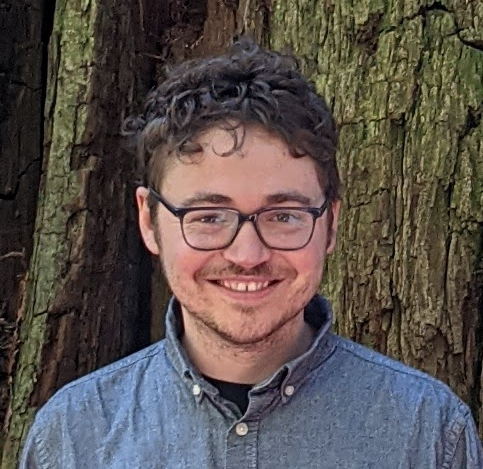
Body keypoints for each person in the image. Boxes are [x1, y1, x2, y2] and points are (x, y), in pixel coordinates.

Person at [20, 39, 482, 468]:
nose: (247, 254)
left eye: (283, 216)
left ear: (331, 223)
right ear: (149, 221)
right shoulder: (72, 438)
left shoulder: (428, 433)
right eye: (207, 217)